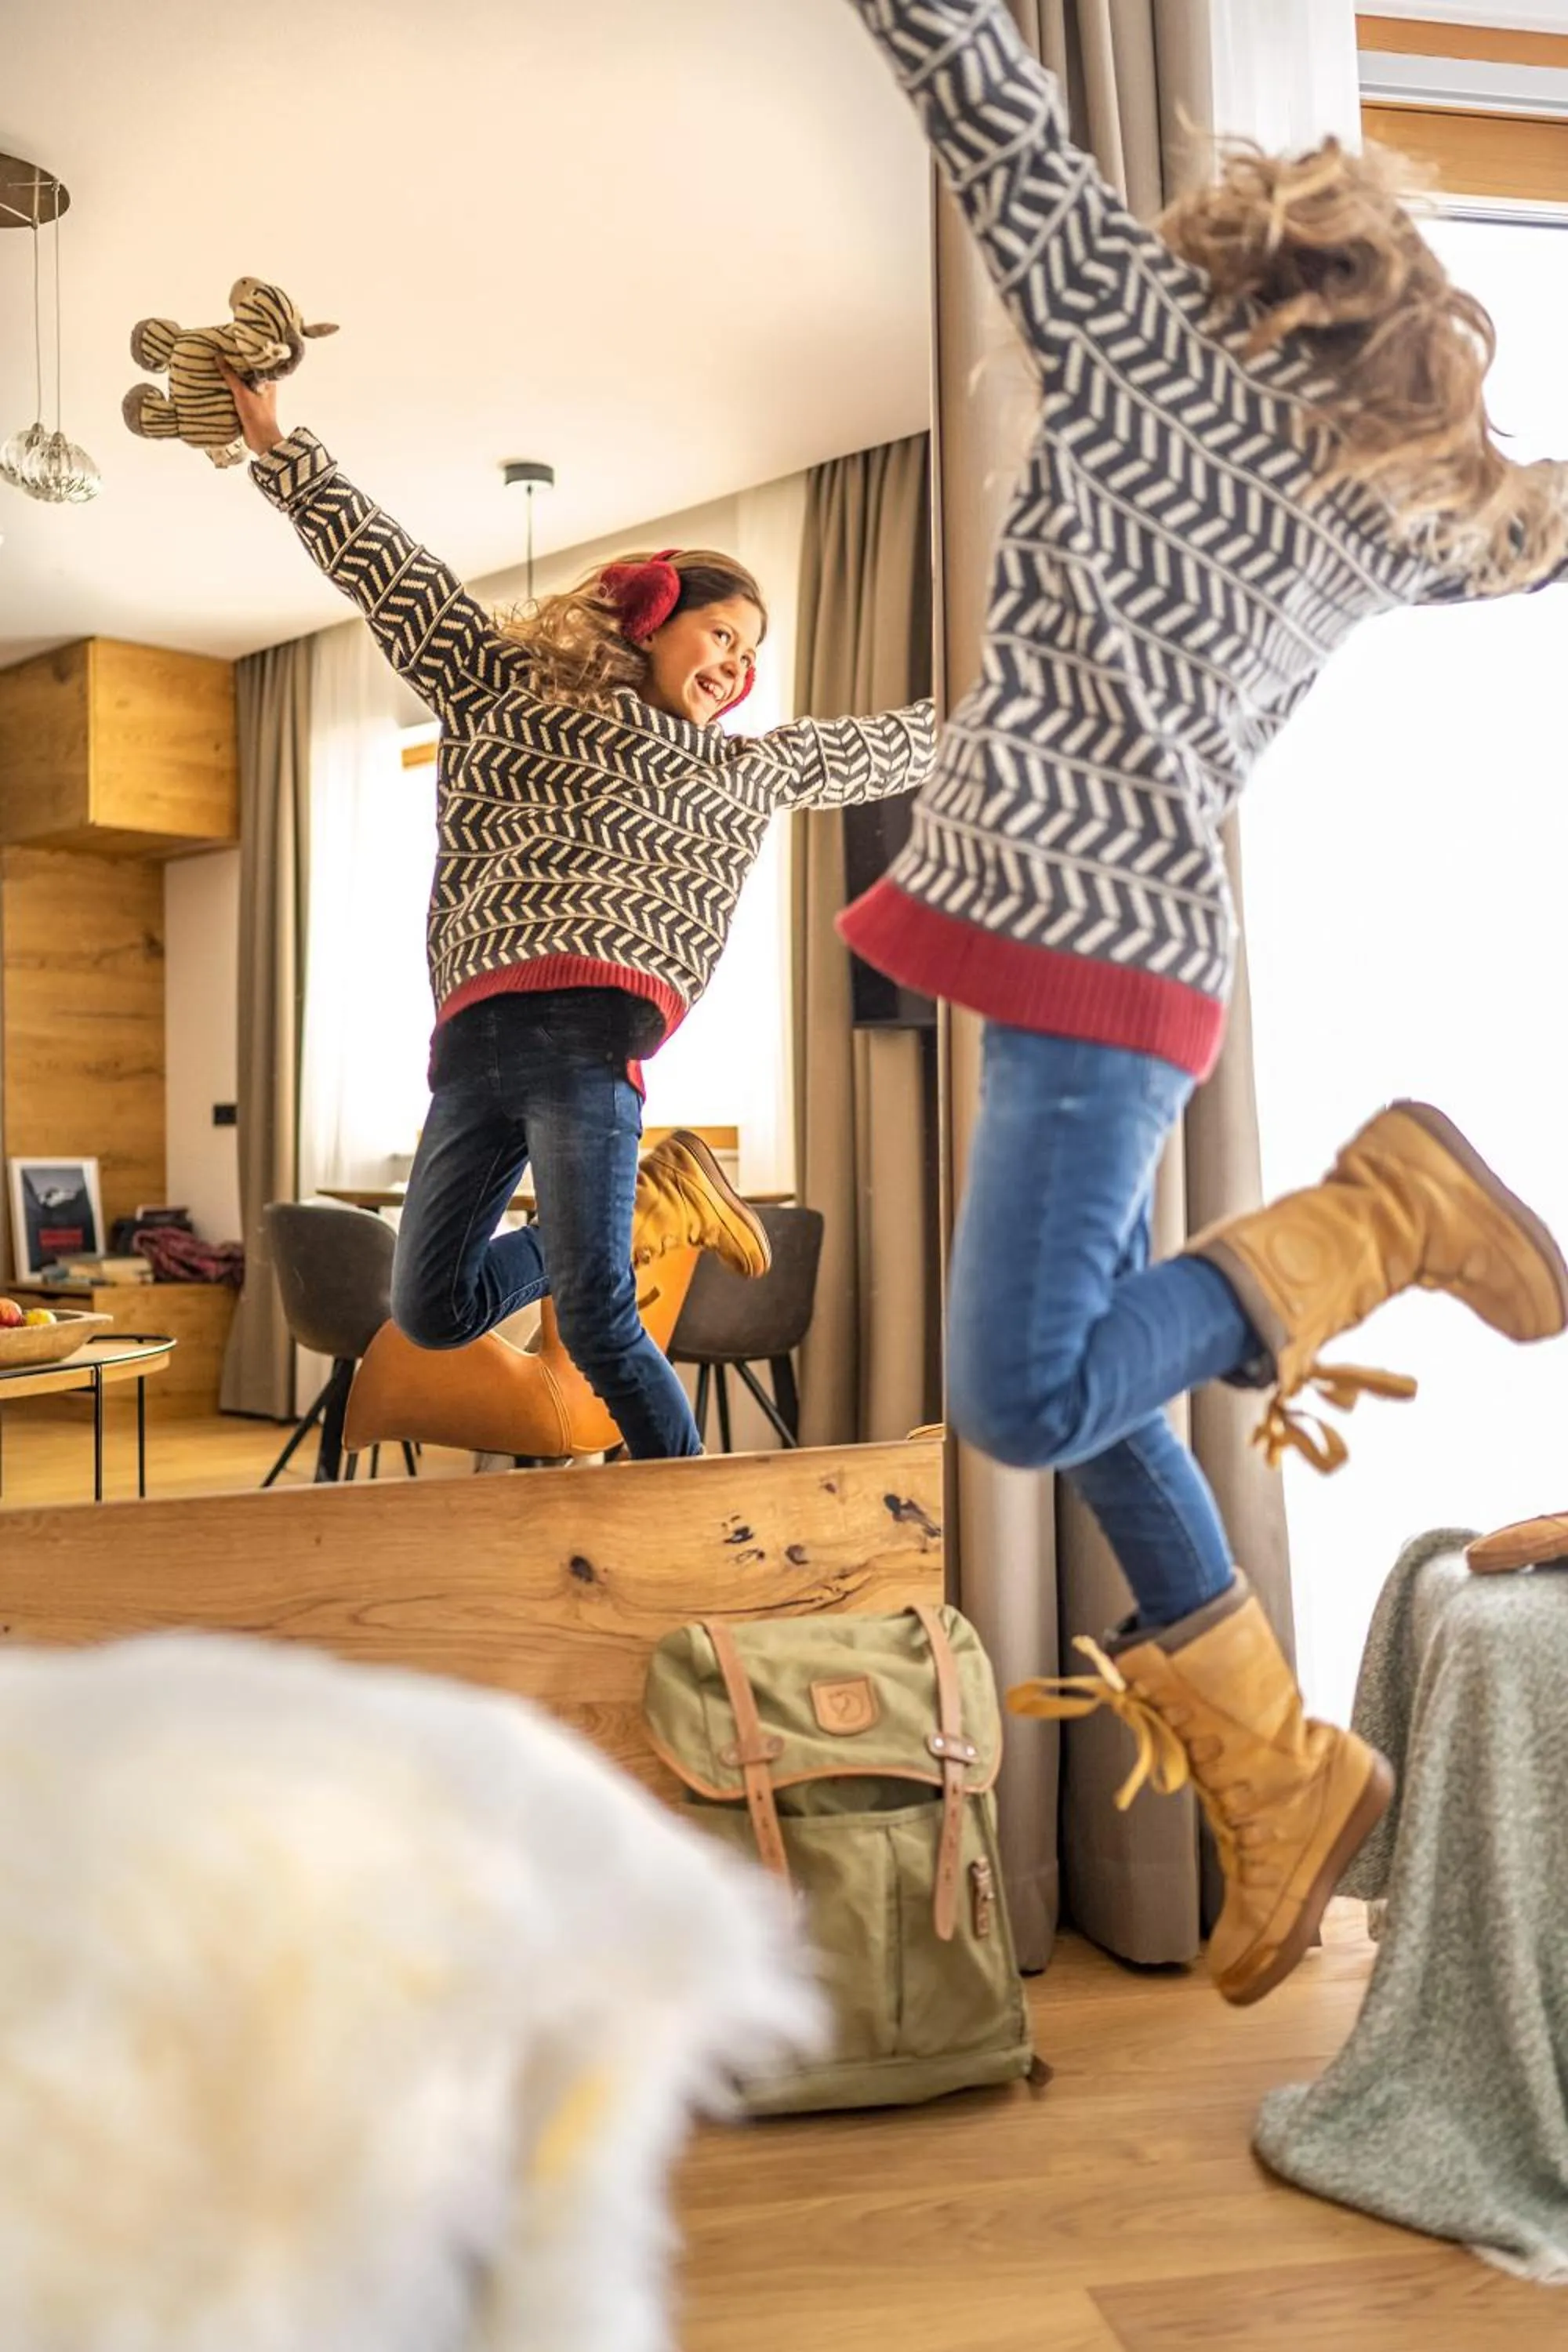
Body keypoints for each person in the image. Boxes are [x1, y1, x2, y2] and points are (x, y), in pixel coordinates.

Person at [837, 0, 1568, 2004]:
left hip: (1089, 965)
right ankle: (1276, 1770)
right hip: (1103, 958)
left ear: (1249, 272)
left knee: (1023, 1392)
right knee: (1085, 1384)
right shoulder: (1379, 506)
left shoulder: (1135, 337)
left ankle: (1379, 1215)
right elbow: (1529, 536)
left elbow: (971, 78)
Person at [223, 365, 935, 1461]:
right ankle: (663, 1201)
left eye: (753, 659)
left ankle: (690, 1524)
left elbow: (881, 746)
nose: (738, 669)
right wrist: (282, 450)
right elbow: (393, 578)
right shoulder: (496, 686)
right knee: (432, 1310)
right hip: (467, 1050)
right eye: (722, 637)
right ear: (650, 617)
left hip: (587, 1043)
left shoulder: (731, 769)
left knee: (600, 1321)